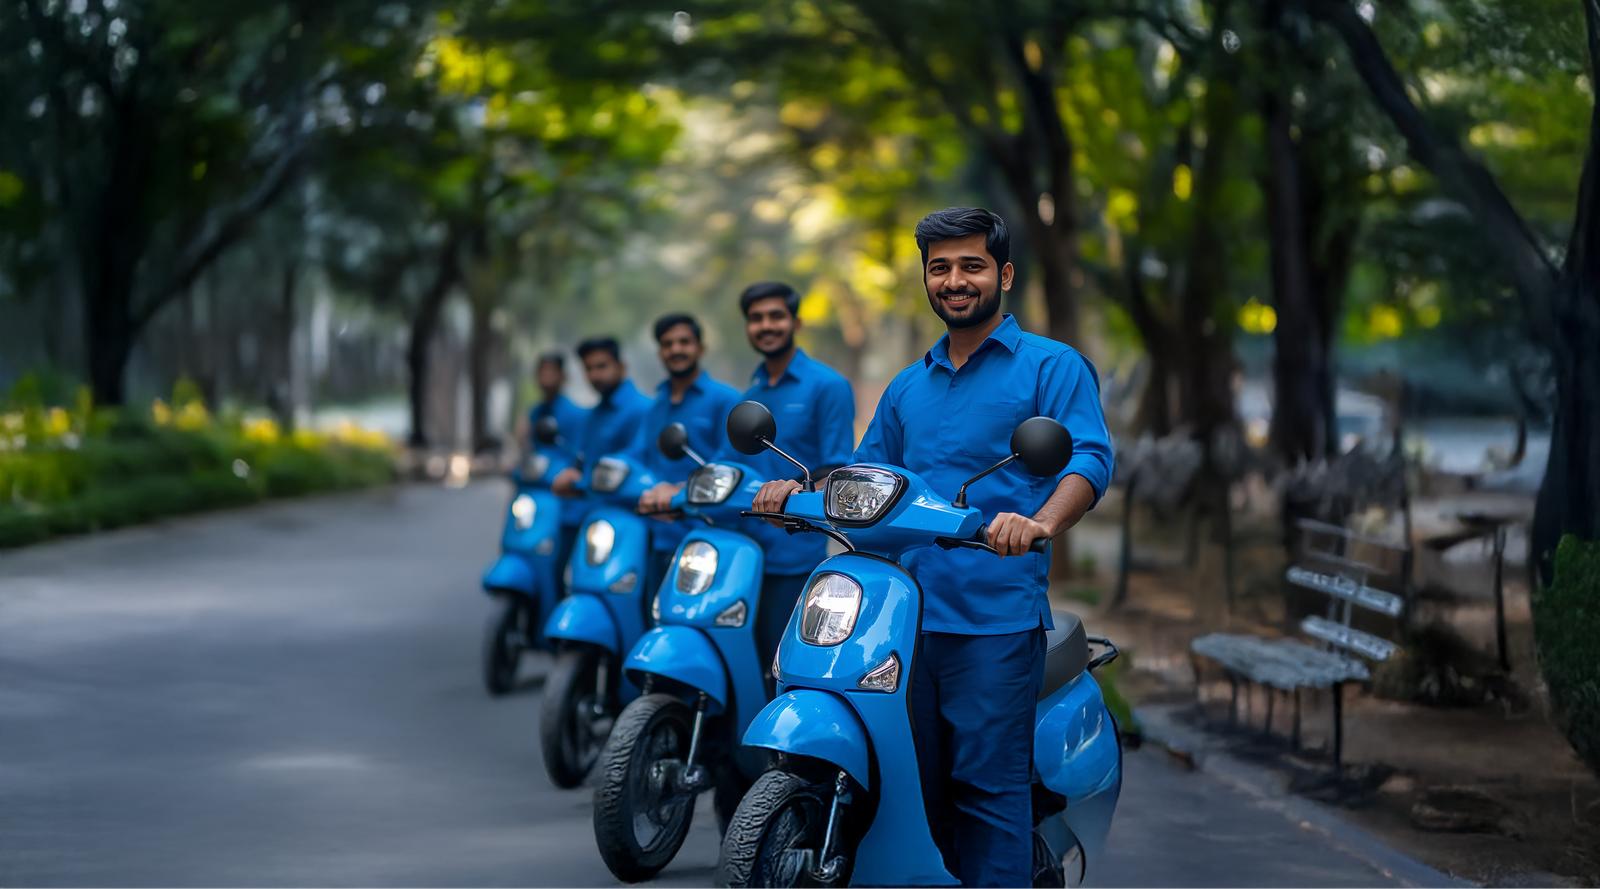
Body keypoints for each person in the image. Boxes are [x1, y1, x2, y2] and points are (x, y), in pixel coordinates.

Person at [752, 208, 1113, 887]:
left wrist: (1038, 523)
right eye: (940, 267)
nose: (955, 280)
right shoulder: (907, 385)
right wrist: (793, 493)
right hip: (901, 623)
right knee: (918, 792)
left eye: (971, 265)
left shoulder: (1051, 366)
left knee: (986, 791)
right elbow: (864, 474)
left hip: (992, 619)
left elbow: (1087, 459)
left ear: (1003, 274)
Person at [715, 281, 855, 691]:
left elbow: (836, 466)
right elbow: (733, 467)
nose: (766, 325)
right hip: (744, 554)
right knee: (741, 668)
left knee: (781, 673)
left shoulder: (827, 385)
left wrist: (792, 489)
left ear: (796, 322)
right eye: (756, 318)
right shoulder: (750, 394)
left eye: (775, 315)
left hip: (794, 556)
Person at [629, 314, 742, 596]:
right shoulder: (656, 406)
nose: (676, 349)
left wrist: (679, 489)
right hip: (659, 537)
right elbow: (638, 456)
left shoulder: (725, 399)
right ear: (660, 353)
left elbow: (729, 463)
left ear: (700, 349)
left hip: (708, 539)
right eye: (668, 344)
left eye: (684, 342)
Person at [551, 337, 651, 525]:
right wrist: (571, 473)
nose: (595, 375)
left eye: (602, 366)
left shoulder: (643, 409)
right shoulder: (591, 416)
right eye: (589, 369)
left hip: (630, 517)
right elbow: (581, 459)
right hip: (590, 513)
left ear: (621, 367)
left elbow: (637, 460)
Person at [528, 352, 591, 571]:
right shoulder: (535, 413)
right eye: (542, 372)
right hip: (540, 495)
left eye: (552, 372)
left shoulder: (575, 415)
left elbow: (578, 456)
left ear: (563, 377)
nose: (547, 378)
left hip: (566, 501)